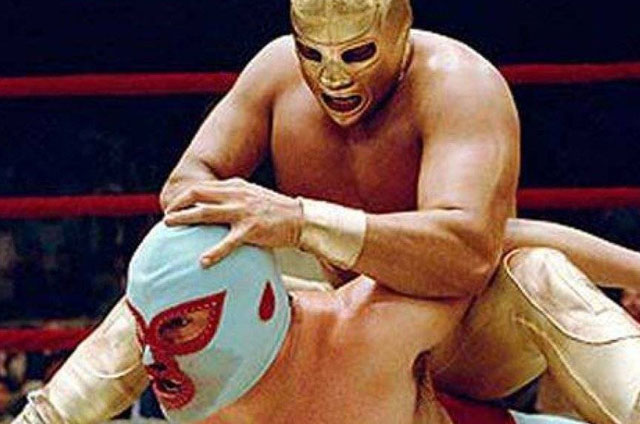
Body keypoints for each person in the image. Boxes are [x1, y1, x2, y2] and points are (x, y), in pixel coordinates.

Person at [12, 0, 640, 421]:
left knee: (539, 275)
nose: (332, 76)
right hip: (335, 324)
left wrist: (301, 220)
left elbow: (471, 252)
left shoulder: (459, 85)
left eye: (357, 53)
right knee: (181, 272)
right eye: (312, 53)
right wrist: (266, 224)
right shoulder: (274, 74)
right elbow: (185, 191)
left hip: (459, 334)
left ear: (399, 32)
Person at [15, 223, 590, 423]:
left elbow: (491, 247)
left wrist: (632, 268)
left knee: (537, 274)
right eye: (148, 329)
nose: (152, 356)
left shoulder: (369, 324)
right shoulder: (164, 342)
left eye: (177, 328)